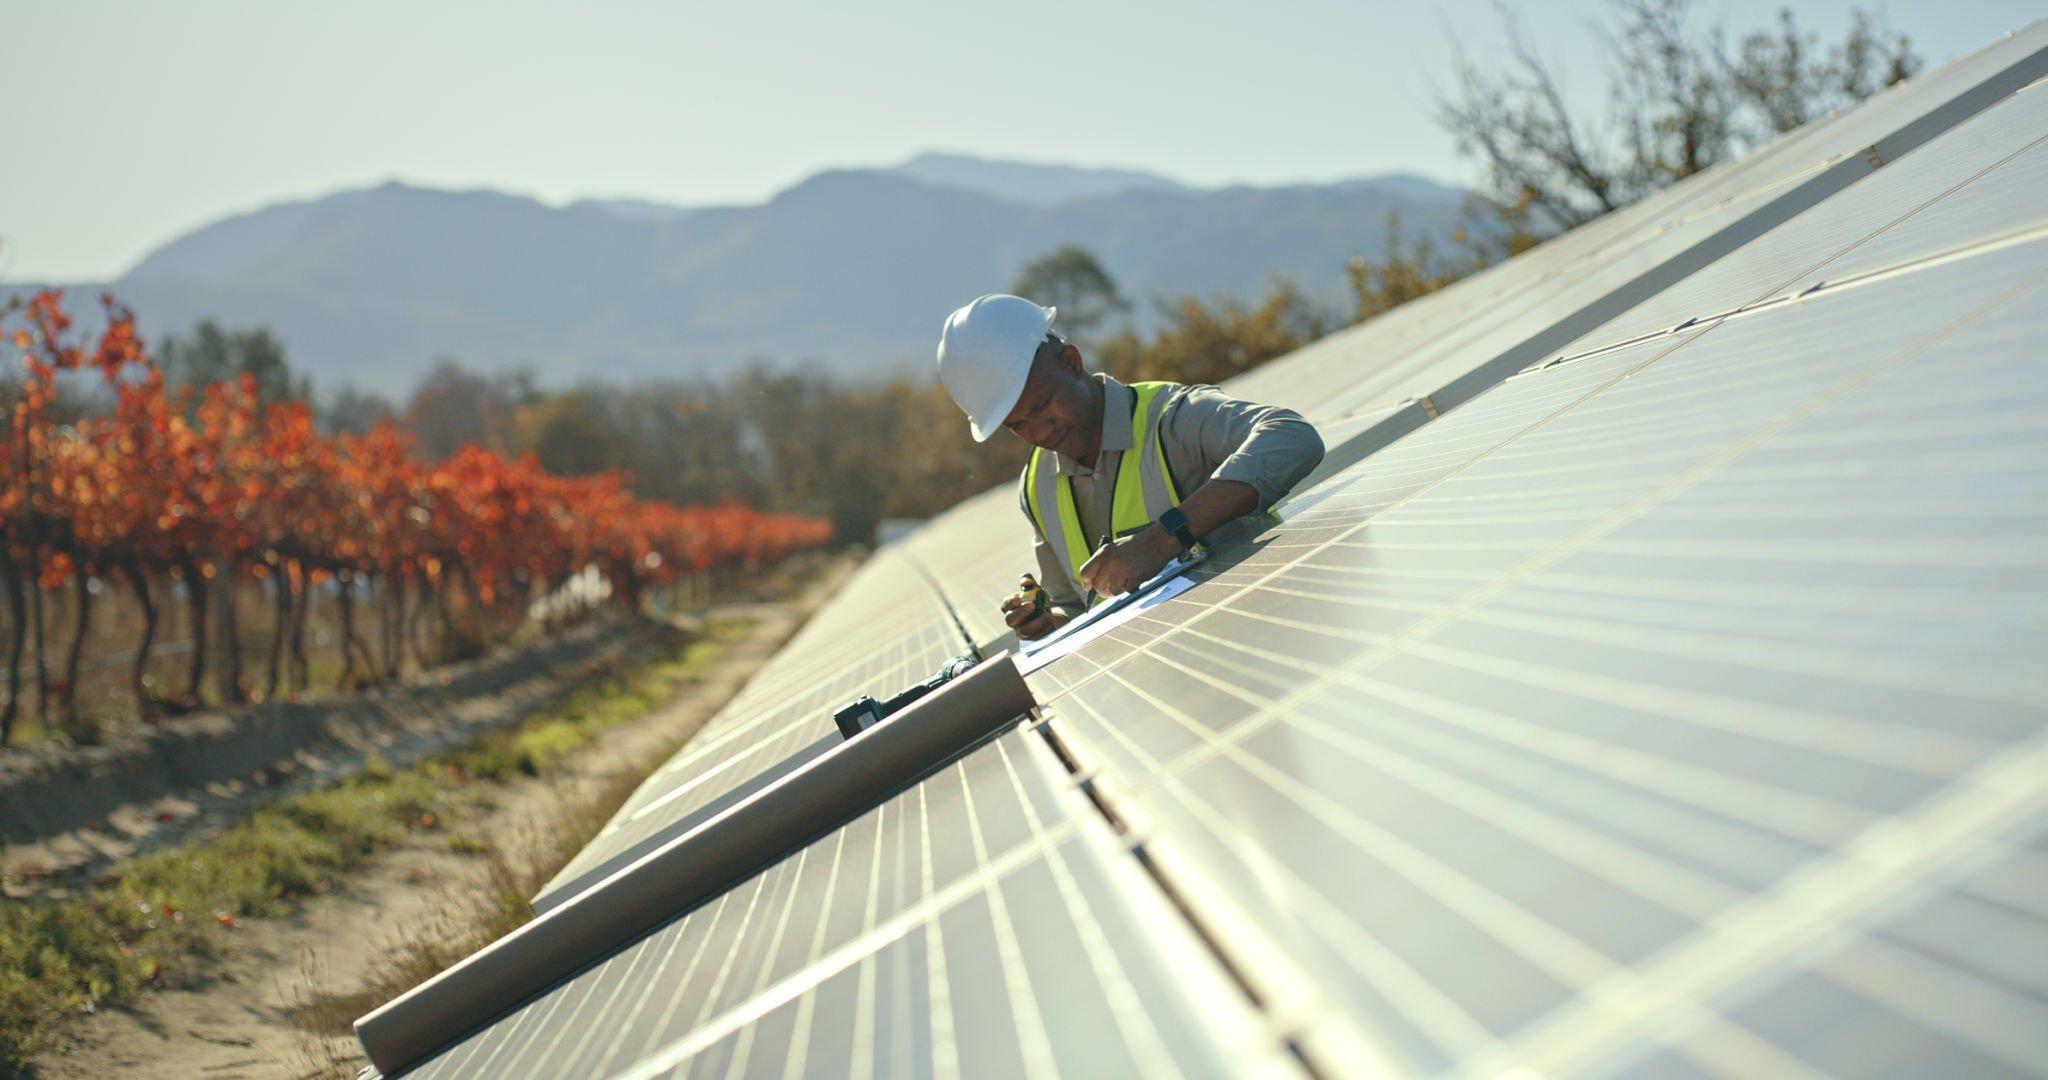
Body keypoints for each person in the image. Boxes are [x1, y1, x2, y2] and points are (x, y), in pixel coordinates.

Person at [936, 293, 1324, 641]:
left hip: (1262, 636)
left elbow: (1292, 437)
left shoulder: (1171, 419)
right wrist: (1047, 622)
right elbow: (1072, 605)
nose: (1039, 430)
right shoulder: (1036, 488)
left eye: (1040, 405)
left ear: (1071, 362)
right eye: (1018, 425)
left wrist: (1162, 539)